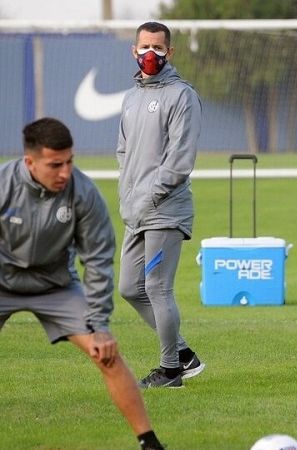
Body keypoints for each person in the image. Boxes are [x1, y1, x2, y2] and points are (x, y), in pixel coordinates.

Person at [0, 118, 165, 450]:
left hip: (56, 287)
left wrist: (99, 325)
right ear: (29, 162)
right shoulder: (3, 185)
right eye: (55, 165)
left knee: (107, 354)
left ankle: (149, 443)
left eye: (70, 161)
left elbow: (98, 260)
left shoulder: (83, 193)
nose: (65, 172)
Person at [117, 21, 204, 389]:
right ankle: (183, 353)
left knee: (157, 288)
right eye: (144, 47)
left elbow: (180, 161)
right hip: (135, 211)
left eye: (157, 48)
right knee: (128, 288)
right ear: (133, 50)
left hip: (165, 210)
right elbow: (124, 151)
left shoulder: (182, 95)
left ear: (169, 52)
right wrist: (129, 198)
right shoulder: (131, 96)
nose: (149, 53)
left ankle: (171, 371)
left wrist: (149, 196)